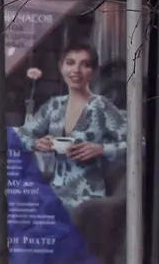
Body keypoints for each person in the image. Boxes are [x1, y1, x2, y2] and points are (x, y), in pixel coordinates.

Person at [15, 40, 126, 215]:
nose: (76, 70)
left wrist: (102, 149)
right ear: (61, 67)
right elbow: (20, 136)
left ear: (93, 71)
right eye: (70, 63)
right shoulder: (54, 106)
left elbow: (138, 145)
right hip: (55, 198)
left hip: (90, 201)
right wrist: (37, 144)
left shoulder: (101, 106)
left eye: (85, 64)